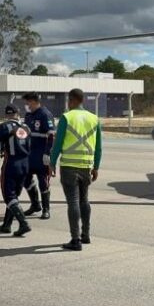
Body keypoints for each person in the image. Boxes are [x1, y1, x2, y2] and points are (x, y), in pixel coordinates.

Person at [49, 88, 102, 251]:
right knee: (84, 200)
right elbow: (98, 146)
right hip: (86, 166)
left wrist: (52, 162)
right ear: (83, 100)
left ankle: (75, 239)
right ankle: (86, 235)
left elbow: (57, 143)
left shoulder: (67, 117)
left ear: (71, 100)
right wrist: (96, 166)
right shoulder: (94, 118)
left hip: (69, 167)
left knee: (73, 202)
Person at [0, 104, 32, 237]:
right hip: (25, 164)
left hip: (11, 164)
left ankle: (23, 223)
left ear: (6, 115)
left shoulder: (4, 127)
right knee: (14, 196)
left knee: (9, 196)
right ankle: (6, 225)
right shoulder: (26, 127)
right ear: (18, 113)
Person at [22, 92, 55, 220]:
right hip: (29, 155)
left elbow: (51, 135)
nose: (26, 105)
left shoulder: (45, 114)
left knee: (43, 182)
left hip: (42, 155)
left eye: (28, 102)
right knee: (26, 179)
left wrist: (48, 153)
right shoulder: (29, 116)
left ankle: (46, 209)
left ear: (34, 101)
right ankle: (35, 204)